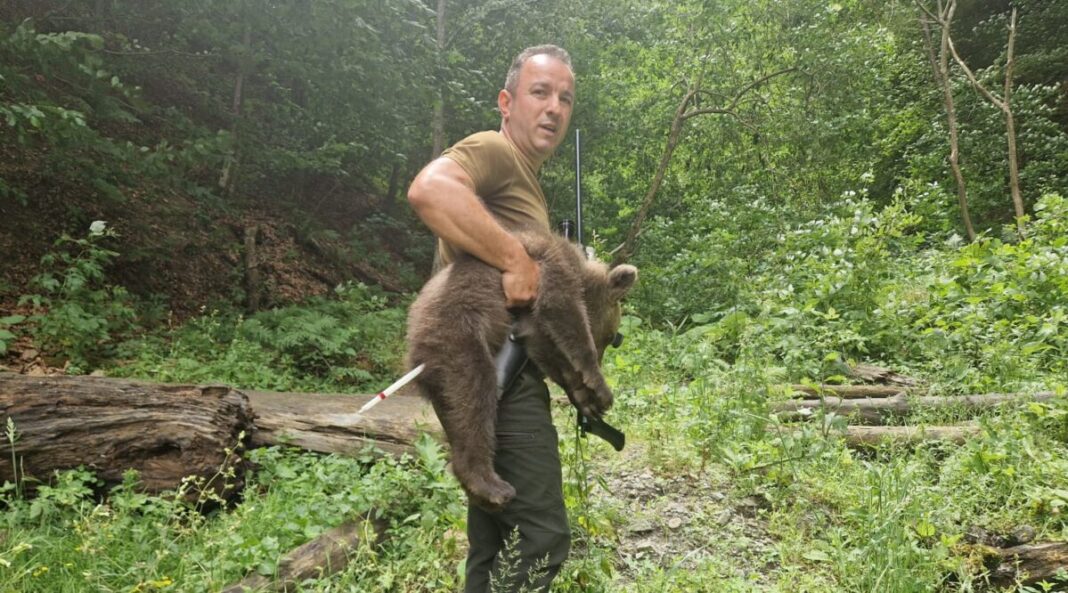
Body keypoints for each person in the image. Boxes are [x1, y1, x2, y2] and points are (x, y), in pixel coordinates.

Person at [406, 44, 576, 593]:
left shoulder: (523, 176)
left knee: (495, 532)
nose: (554, 107)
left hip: (492, 368)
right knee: (540, 534)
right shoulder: (494, 151)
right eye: (540, 92)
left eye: (565, 98)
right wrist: (514, 257)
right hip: (497, 372)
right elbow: (429, 189)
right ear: (506, 101)